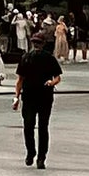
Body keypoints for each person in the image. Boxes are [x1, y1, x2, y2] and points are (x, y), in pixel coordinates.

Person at [14, 33, 62, 169]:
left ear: (43, 44)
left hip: (45, 96)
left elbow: (58, 77)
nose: (36, 45)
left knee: (43, 127)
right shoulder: (26, 58)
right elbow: (20, 80)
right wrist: (16, 97)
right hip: (28, 96)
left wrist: (52, 83)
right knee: (28, 125)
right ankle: (31, 152)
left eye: (38, 43)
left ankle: (41, 157)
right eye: (34, 43)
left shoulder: (49, 59)